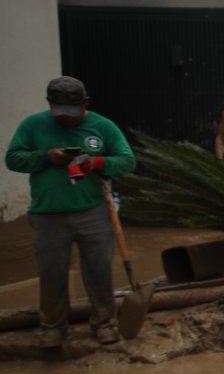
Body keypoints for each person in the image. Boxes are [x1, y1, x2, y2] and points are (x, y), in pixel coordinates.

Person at [5, 76, 137, 347]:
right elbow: (13, 159)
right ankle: (53, 328)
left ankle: (104, 323)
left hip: (93, 211)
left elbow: (127, 161)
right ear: (50, 104)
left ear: (86, 102)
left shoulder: (103, 126)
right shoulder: (33, 125)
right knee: (52, 272)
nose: (67, 119)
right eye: (61, 113)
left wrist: (97, 162)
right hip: (47, 213)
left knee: (99, 270)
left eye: (73, 112)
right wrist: (45, 156)